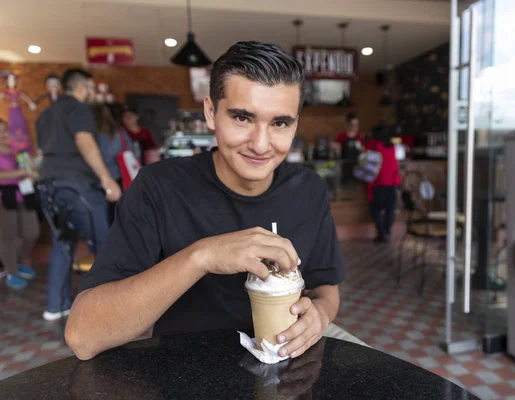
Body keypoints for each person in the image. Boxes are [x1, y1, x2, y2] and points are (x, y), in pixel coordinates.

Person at [65, 41, 347, 362]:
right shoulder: (159, 187)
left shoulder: (309, 189)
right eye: (242, 118)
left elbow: (326, 286)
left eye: (280, 123)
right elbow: (82, 336)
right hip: (183, 375)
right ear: (211, 112)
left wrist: (320, 314)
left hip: (288, 373)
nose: (260, 144)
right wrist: (202, 256)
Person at [36, 68, 122, 321]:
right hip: (77, 186)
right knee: (103, 245)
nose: (93, 93)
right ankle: (109, 310)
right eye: (92, 88)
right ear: (81, 87)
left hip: (48, 185)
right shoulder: (79, 109)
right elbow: (85, 141)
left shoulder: (45, 114)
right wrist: (108, 181)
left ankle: (55, 306)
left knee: (62, 244)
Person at [0, 118, 40, 289]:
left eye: (5, 130)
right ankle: (11, 272)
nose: (3, 135)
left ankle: (19, 262)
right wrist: (23, 171)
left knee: (31, 232)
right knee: (9, 237)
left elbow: (35, 173)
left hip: (24, 195)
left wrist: (31, 171)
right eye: (0, 132)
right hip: (4, 198)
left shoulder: (18, 150)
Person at [94, 104, 134, 225]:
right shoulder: (119, 133)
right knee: (116, 216)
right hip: (117, 177)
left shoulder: (91, 135)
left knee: (99, 216)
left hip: (95, 179)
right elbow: (132, 152)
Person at [367, 126, 401, 243]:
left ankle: (382, 233)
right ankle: (386, 232)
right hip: (392, 181)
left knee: (375, 209)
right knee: (390, 208)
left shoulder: (374, 143)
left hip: (379, 181)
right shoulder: (391, 144)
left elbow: (366, 157)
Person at [335, 112, 365, 186]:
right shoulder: (341, 136)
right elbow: (338, 151)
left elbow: (363, 151)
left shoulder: (359, 137)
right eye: (353, 124)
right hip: (344, 168)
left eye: (357, 124)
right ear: (348, 124)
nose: (355, 127)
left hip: (357, 168)